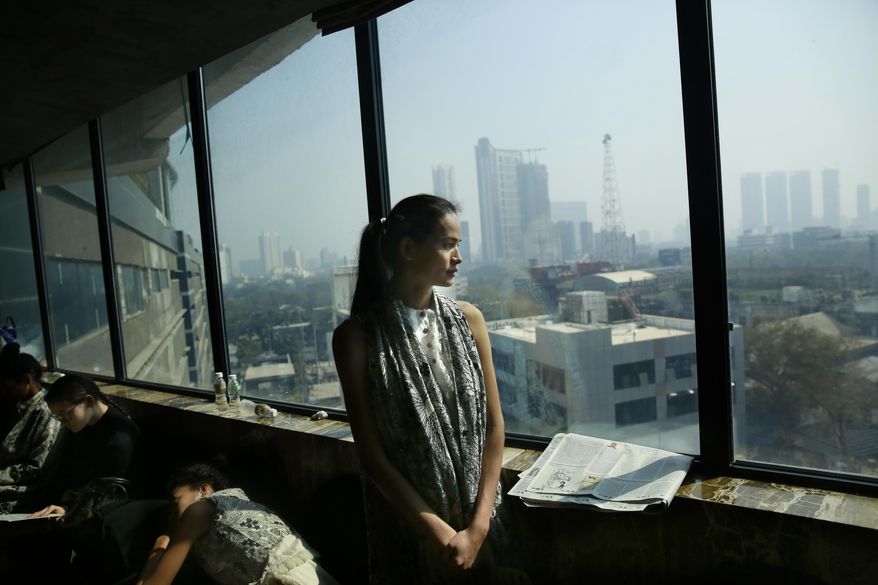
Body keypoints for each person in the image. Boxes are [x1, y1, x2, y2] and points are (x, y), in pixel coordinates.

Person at [332, 194, 507, 584]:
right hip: (412, 532)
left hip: (485, 520)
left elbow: (494, 427)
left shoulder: (469, 319)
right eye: (447, 244)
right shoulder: (357, 338)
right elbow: (373, 455)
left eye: (457, 244)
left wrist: (477, 529)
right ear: (409, 249)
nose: (458, 256)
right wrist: (443, 535)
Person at [137, 463, 339, 585]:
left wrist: (159, 546)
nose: (173, 516)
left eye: (176, 502)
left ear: (203, 489)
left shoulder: (199, 510)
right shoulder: (236, 502)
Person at [31, 373, 143, 519]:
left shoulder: (119, 439)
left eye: (65, 415)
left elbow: (108, 494)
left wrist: (67, 508)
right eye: (58, 417)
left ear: (88, 401)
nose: (63, 422)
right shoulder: (83, 424)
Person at [0, 342, 60, 513]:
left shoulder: (47, 412)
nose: (4, 394)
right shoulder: (18, 405)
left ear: (27, 380)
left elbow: (36, 467)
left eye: (7, 389)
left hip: (24, 490)